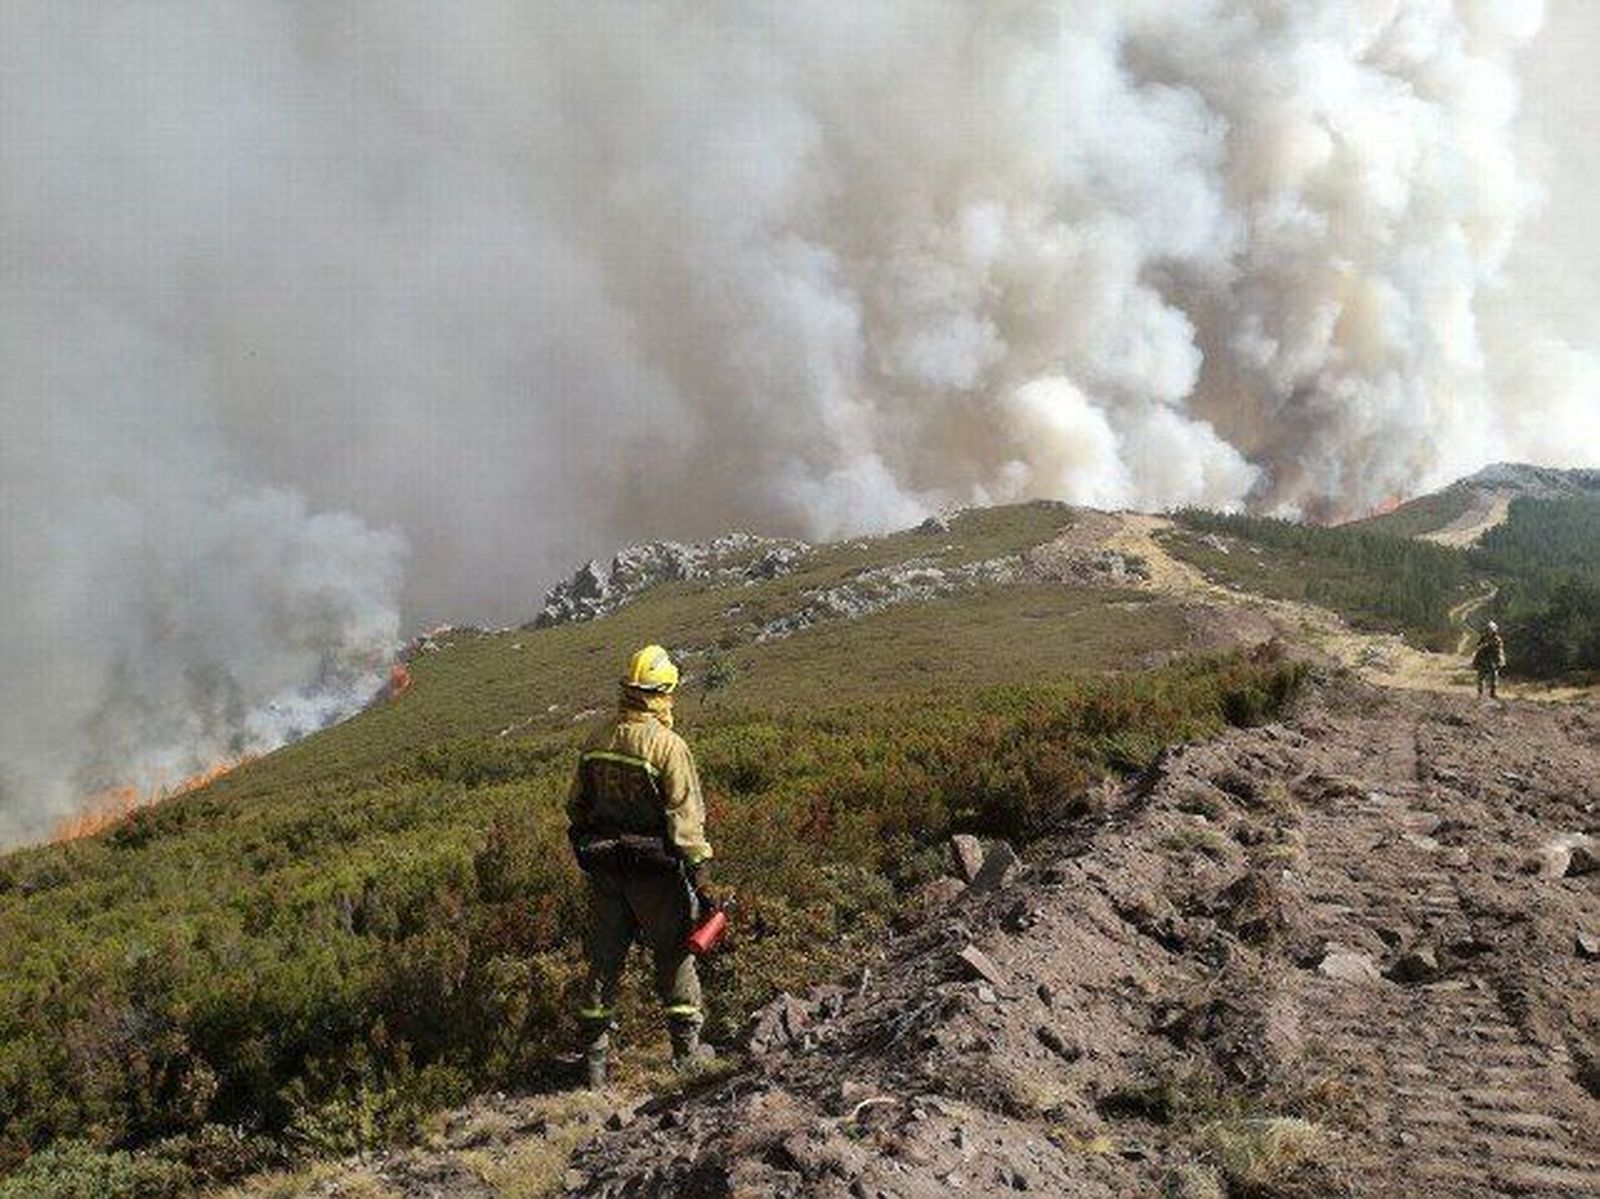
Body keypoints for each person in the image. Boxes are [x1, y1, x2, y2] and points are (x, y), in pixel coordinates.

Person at [566, 644, 714, 1089]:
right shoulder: (668, 746)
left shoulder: (597, 738)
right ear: (663, 693)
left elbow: (576, 806)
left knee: (604, 963)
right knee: (674, 957)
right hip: (655, 876)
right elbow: (686, 823)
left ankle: (594, 1068)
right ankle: (687, 1058)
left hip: (607, 872)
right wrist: (703, 879)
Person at [1473, 620, 1506, 699]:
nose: (1490, 631)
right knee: (1480, 677)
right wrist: (1483, 646)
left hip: (1493, 660)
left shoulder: (1497, 639)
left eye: (1491, 629)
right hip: (1484, 659)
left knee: (1494, 677)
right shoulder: (1483, 638)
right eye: (1489, 629)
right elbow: (1478, 647)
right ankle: (1480, 693)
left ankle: (1493, 693)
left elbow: (1499, 650)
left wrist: (1499, 661)